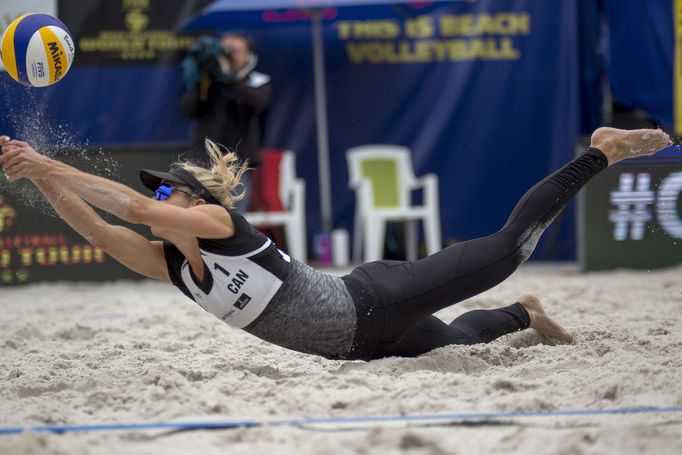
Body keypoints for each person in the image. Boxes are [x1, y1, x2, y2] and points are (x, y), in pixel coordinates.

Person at [0, 128, 673, 361]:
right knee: (463, 345)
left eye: (170, 192)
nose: (160, 203)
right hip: (361, 346)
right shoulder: (176, 268)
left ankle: (599, 153)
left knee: (501, 250)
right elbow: (97, 227)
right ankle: (526, 313)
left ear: (197, 201)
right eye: (162, 196)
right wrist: (37, 178)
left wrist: (46, 160)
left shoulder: (216, 226)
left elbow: (131, 205)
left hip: (375, 297)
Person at [179, 32, 271, 212]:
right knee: (197, 213)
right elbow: (188, 110)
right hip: (203, 162)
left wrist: (230, 78)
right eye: (225, 51)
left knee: (231, 217)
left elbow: (258, 104)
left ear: (248, 56)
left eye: (235, 51)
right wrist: (201, 82)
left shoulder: (257, 81)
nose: (229, 56)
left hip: (236, 165)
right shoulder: (208, 82)